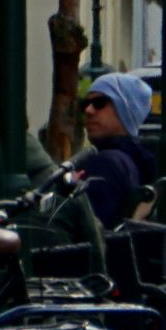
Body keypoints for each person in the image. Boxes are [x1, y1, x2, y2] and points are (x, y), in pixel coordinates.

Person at [67, 72, 155, 220]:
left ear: (125, 109)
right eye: (85, 104)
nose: (88, 111)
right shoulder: (136, 160)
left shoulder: (108, 162)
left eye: (99, 103)